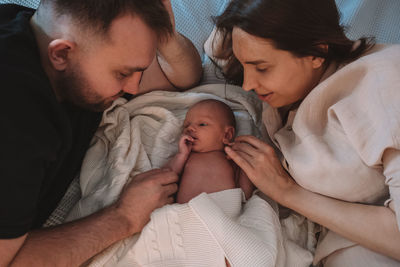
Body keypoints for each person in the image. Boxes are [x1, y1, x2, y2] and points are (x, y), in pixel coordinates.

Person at [0, 0, 202, 265]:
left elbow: (184, 76)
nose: (133, 87)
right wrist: (124, 216)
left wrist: (164, 35)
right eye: (122, 73)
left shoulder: (45, 34)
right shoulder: (18, 125)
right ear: (61, 54)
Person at [209, 0, 400, 266]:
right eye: (244, 65)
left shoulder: (384, 87)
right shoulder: (299, 74)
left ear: (316, 53)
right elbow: (217, 46)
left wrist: (286, 192)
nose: (248, 84)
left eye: (262, 68)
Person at [165, 99, 254, 203]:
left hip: (223, 212)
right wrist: (181, 155)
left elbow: (245, 194)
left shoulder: (231, 158)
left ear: (227, 135)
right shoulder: (186, 156)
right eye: (186, 125)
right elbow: (167, 176)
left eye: (202, 124)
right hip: (185, 212)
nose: (190, 128)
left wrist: (245, 164)